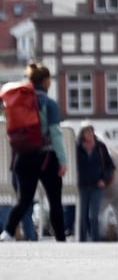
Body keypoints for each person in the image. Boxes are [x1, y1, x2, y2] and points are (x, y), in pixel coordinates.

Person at [0, 63, 67, 242]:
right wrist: (62, 160)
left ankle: (7, 232)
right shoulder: (49, 104)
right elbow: (55, 133)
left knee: (24, 200)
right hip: (47, 157)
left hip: (23, 156)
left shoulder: (19, 102)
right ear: (46, 82)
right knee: (54, 201)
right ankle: (61, 239)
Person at [76, 122, 114, 242]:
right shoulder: (77, 147)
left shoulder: (100, 146)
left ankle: (95, 240)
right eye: (87, 132)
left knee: (94, 215)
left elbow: (110, 166)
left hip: (97, 185)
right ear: (82, 134)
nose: (90, 134)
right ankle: (82, 239)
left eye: (91, 131)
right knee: (83, 215)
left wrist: (104, 179)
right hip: (82, 185)